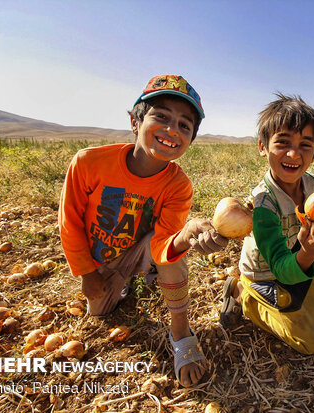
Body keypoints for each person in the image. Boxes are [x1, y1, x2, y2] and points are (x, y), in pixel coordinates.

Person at [58, 74, 228, 387]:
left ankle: (180, 329)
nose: (172, 130)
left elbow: (165, 242)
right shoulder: (88, 162)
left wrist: (188, 232)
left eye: (184, 125)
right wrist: (86, 274)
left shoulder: (178, 185)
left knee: (172, 253)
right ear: (135, 121)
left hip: (142, 250)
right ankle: (121, 281)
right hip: (100, 257)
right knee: (100, 312)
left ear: (190, 140)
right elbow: (69, 223)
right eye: (161, 117)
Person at [219, 94, 314, 354]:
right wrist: (309, 252)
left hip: (298, 257)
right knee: (309, 343)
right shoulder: (264, 206)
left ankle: (305, 285)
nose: (293, 153)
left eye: (305, 145)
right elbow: (279, 268)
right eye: (283, 142)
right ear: (263, 147)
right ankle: (243, 294)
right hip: (269, 275)